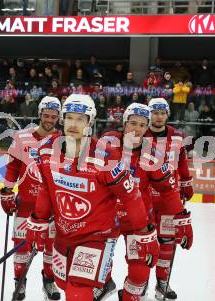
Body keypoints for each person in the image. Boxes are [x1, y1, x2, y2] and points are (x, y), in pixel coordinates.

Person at [25, 94, 157, 301]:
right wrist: (39, 220)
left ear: (90, 123)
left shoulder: (106, 156)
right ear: (62, 119)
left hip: (98, 235)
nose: (74, 124)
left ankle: (99, 281)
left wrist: (143, 233)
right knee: (64, 284)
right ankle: (103, 283)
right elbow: (46, 188)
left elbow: (130, 195)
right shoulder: (47, 149)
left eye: (80, 119)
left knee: (78, 292)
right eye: (69, 118)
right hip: (64, 232)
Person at [101, 103, 180, 301]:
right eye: (133, 123)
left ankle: (130, 295)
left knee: (140, 271)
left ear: (147, 128)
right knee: (97, 266)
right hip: (105, 217)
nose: (137, 129)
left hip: (138, 219)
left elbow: (168, 189)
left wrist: (181, 216)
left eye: (142, 125)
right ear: (124, 123)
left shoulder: (152, 152)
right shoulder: (106, 143)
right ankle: (104, 283)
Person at [0, 96, 62, 301]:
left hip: (53, 206)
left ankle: (49, 280)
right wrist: (7, 191)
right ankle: (20, 282)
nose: (50, 119)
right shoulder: (22, 137)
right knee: (21, 247)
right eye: (46, 115)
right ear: (40, 114)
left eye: (54, 116)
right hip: (26, 203)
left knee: (51, 247)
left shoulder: (63, 140)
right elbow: (13, 166)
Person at [146, 98, 194, 301]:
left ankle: (162, 283)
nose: (158, 116)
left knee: (167, 243)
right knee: (144, 242)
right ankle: (139, 282)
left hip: (169, 199)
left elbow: (182, 161)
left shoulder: (177, 137)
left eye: (162, 113)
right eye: (155, 112)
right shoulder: (139, 134)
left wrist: (186, 182)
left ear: (167, 115)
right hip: (144, 200)